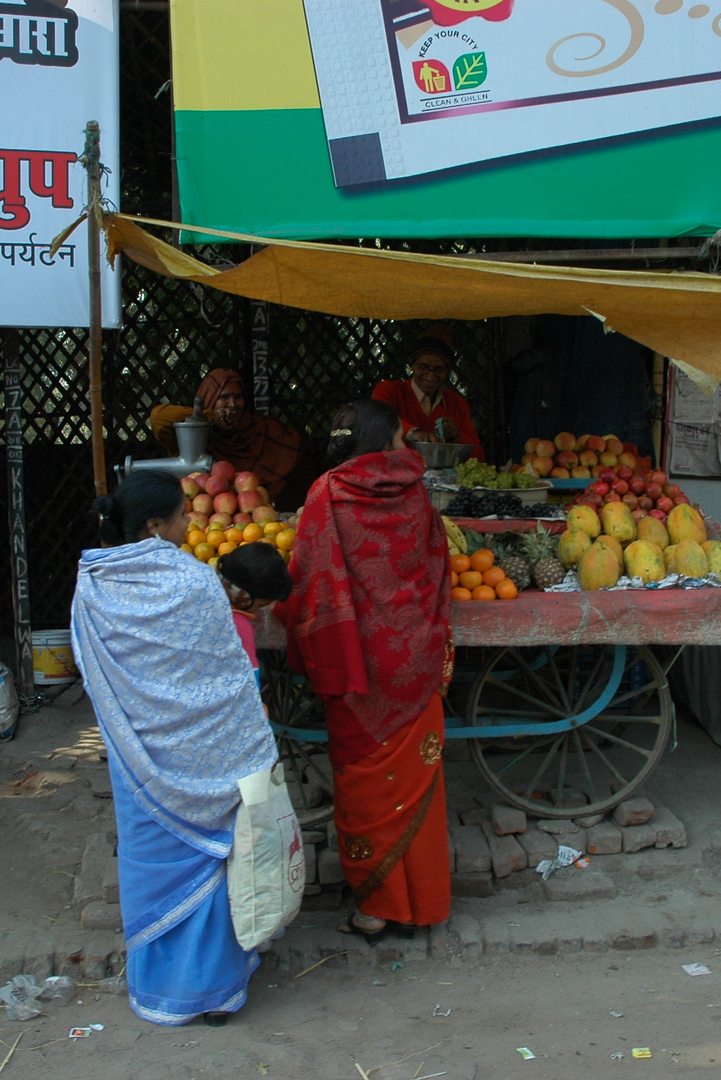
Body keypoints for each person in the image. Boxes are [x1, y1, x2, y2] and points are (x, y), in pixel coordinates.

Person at [70, 472, 276, 1027]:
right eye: (183, 516)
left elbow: (98, 676)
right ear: (156, 526)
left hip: (138, 761)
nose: (192, 523)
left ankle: (161, 989)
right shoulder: (195, 582)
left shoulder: (91, 584)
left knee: (153, 863)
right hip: (208, 757)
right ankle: (215, 990)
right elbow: (224, 675)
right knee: (211, 863)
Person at [281, 399, 453, 943]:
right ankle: (421, 906)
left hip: (356, 663)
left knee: (363, 787)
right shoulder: (417, 492)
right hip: (413, 659)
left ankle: (377, 910)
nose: (408, 447)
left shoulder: (326, 493)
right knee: (419, 784)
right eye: (402, 437)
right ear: (383, 442)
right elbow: (437, 565)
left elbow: (308, 581)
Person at [149, 369, 326, 509]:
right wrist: (209, 416)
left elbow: (303, 454)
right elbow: (158, 417)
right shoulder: (196, 436)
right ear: (210, 400)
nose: (233, 405)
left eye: (238, 397)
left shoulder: (261, 428)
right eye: (224, 397)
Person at [371, 323, 485, 460]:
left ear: (447, 372)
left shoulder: (456, 403)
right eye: (424, 367)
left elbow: (478, 456)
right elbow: (376, 422)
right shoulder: (389, 390)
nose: (431, 376)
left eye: (438, 369)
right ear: (412, 365)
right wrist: (413, 433)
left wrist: (457, 435)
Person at [217, 540, 292, 682]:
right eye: (259, 606)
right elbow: (249, 684)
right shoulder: (239, 626)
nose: (257, 613)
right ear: (243, 596)